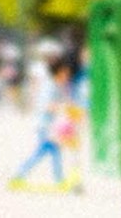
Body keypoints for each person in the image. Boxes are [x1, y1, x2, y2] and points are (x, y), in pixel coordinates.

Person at [9, 42, 85, 193]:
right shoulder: (51, 85)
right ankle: (19, 175)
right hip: (45, 125)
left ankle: (59, 180)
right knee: (42, 151)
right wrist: (64, 107)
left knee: (53, 152)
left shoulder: (58, 85)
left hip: (51, 125)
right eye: (65, 73)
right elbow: (46, 105)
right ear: (59, 72)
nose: (67, 76)